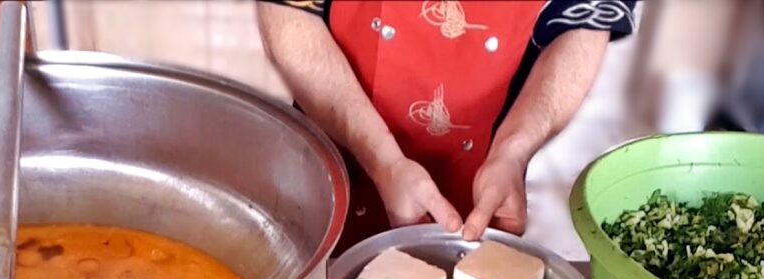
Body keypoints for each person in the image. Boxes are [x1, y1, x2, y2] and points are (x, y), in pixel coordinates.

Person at [257, 0, 636, 252]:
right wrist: (383, 160)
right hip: (333, 163)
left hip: (477, 177)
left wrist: (513, 151)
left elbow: (585, 22)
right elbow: (289, 17)